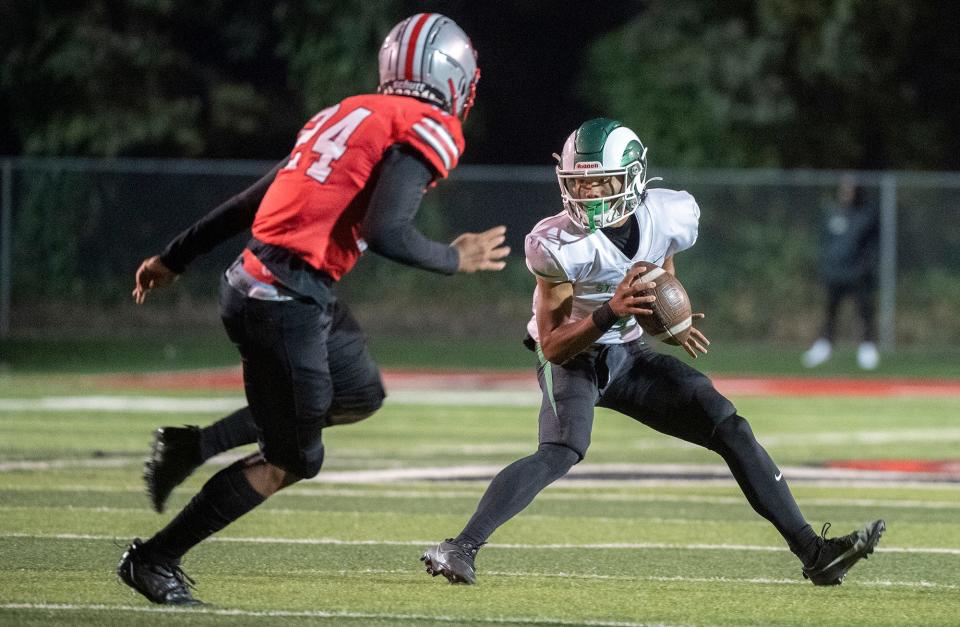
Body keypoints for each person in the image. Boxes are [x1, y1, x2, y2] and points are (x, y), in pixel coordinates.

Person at [116, 13, 510, 605]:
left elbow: (256, 196)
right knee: (291, 459)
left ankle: (192, 447)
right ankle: (154, 560)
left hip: (270, 284)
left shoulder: (348, 112)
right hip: (283, 298)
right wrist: (455, 259)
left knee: (356, 392)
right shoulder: (429, 124)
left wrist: (176, 256)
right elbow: (387, 231)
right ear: (451, 74)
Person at [420, 118, 884, 587]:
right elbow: (554, 344)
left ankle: (815, 554)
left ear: (634, 177)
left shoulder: (669, 214)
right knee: (562, 449)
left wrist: (667, 318)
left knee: (728, 425)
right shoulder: (556, 243)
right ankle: (459, 547)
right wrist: (607, 312)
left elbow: (660, 267)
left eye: (601, 181)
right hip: (574, 357)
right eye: (579, 183)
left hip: (629, 354)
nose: (588, 194)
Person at [802, 175, 881, 370]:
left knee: (864, 311)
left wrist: (864, 268)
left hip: (857, 274)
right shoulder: (833, 213)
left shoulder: (865, 214)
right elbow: (826, 242)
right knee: (830, 312)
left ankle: (867, 348)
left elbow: (872, 246)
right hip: (835, 272)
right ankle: (824, 345)